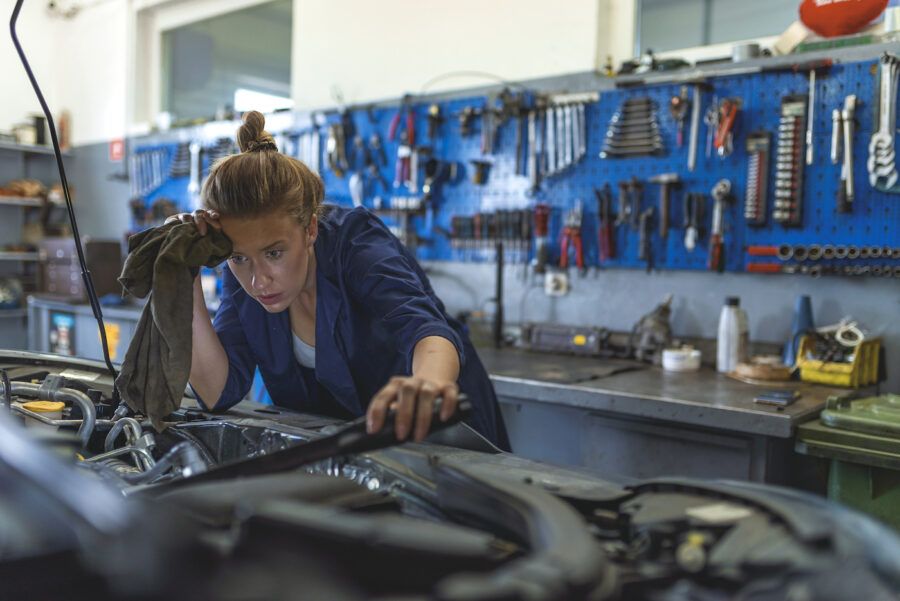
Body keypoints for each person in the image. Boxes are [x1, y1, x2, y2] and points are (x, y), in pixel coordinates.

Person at [172, 111, 509, 449]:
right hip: (351, 452)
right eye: (239, 259)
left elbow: (424, 329)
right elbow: (217, 392)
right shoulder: (244, 270)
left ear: (310, 230)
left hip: (441, 441)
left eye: (274, 253)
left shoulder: (357, 245)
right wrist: (184, 274)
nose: (259, 281)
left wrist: (429, 384)